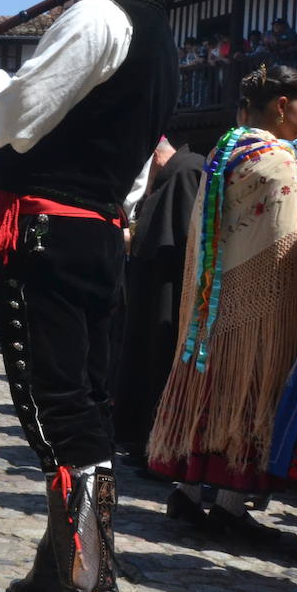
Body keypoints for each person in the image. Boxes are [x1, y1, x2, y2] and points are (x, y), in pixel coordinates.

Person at [0, 0, 180, 592]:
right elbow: (138, 168)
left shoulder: (98, 17)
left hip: (45, 232)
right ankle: (58, 571)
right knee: (85, 407)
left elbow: (13, 122)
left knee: (58, 412)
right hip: (98, 232)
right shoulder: (163, 45)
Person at [148, 65, 297, 540]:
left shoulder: (225, 147)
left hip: (208, 300)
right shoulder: (278, 157)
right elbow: (285, 241)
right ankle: (233, 507)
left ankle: (188, 492)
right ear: (282, 104)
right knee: (253, 391)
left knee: (210, 391)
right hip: (261, 302)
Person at [111, 138, 201, 468]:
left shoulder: (188, 170)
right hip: (151, 283)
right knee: (144, 359)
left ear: (159, 156)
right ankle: (143, 439)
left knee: (160, 360)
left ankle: (159, 445)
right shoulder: (168, 174)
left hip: (171, 285)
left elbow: (187, 234)